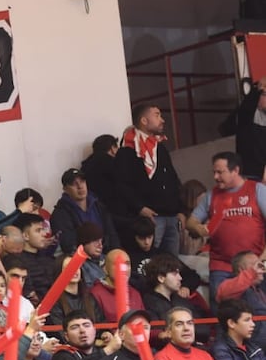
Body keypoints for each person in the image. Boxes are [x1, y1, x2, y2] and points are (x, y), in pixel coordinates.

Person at [186, 151, 266, 305]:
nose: (215, 177)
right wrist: (198, 227)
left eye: (220, 172)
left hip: (253, 264)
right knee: (222, 312)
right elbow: (191, 222)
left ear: (235, 170)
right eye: (214, 172)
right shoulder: (212, 195)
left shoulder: (257, 190)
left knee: (259, 310)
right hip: (221, 265)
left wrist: (263, 258)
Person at [115, 103, 185, 254]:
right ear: (144, 121)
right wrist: (140, 208)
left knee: (173, 263)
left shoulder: (160, 147)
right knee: (152, 261)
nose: (162, 120)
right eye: (157, 115)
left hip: (172, 216)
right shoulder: (128, 150)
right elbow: (122, 185)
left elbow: (173, 179)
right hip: (151, 218)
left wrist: (180, 209)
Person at [51, 167, 120, 255]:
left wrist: (116, 253)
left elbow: (112, 235)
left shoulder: (99, 206)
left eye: (82, 181)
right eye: (74, 184)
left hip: (105, 255)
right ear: (65, 189)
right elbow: (68, 244)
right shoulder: (60, 214)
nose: (80, 187)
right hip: (82, 260)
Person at [216, 250, 266, 347]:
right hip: (249, 345)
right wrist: (252, 273)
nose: (260, 267)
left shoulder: (260, 290)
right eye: (255, 264)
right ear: (241, 269)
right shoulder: (230, 284)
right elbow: (224, 293)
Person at [89, 249, 145, 323]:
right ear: (105, 269)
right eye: (117, 264)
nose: (123, 269)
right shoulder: (95, 294)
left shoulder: (135, 293)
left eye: (127, 264)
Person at [236, 76, 266, 180]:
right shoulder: (247, 115)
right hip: (251, 176)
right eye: (265, 95)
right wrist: (259, 88)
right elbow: (246, 106)